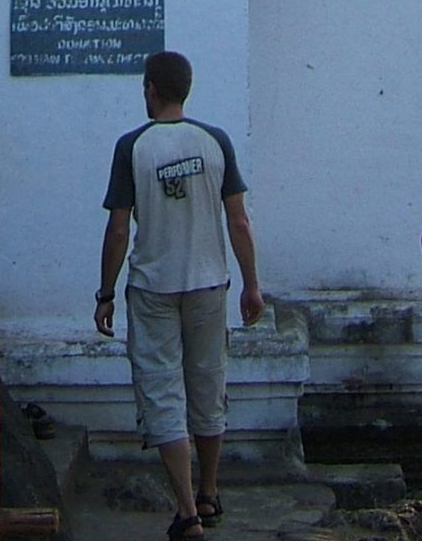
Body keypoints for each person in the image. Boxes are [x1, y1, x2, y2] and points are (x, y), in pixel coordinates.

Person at [94, 51, 265, 540]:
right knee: (208, 385)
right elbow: (238, 220)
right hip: (209, 282)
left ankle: (187, 512)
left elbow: (119, 230)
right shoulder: (215, 142)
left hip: (153, 287)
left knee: (162, 392)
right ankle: (209, 492)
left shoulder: (132, 146)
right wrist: (252, 284)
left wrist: (105, 292)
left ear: (151, 89)